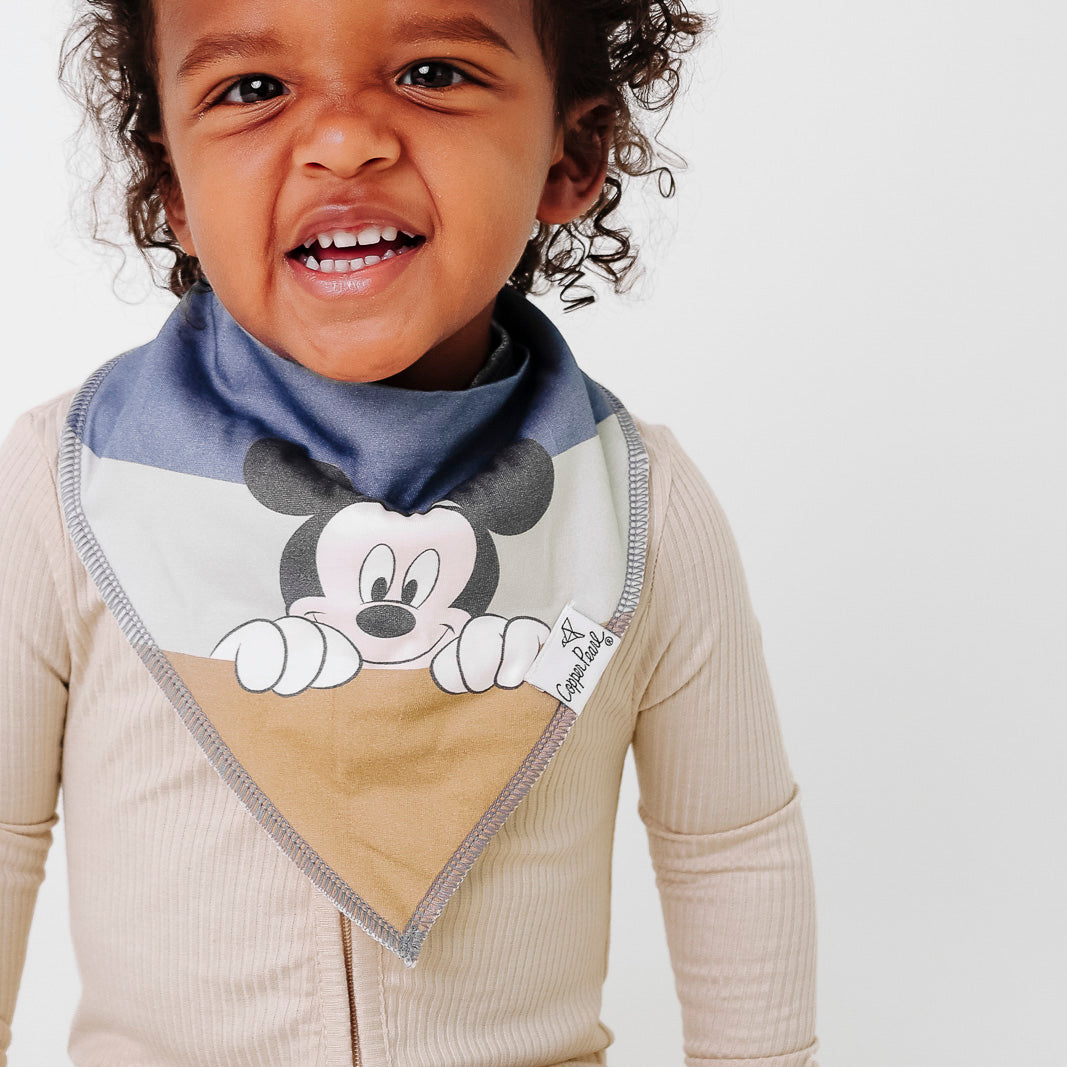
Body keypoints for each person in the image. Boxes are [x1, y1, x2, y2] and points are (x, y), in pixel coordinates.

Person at [0, 0, 819, 1063]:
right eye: (253, 89)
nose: (345, 140)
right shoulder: (71, 488)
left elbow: (731, 851)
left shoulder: (632, 505)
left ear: (570, 154)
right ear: (173, 188)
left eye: (432, 73)